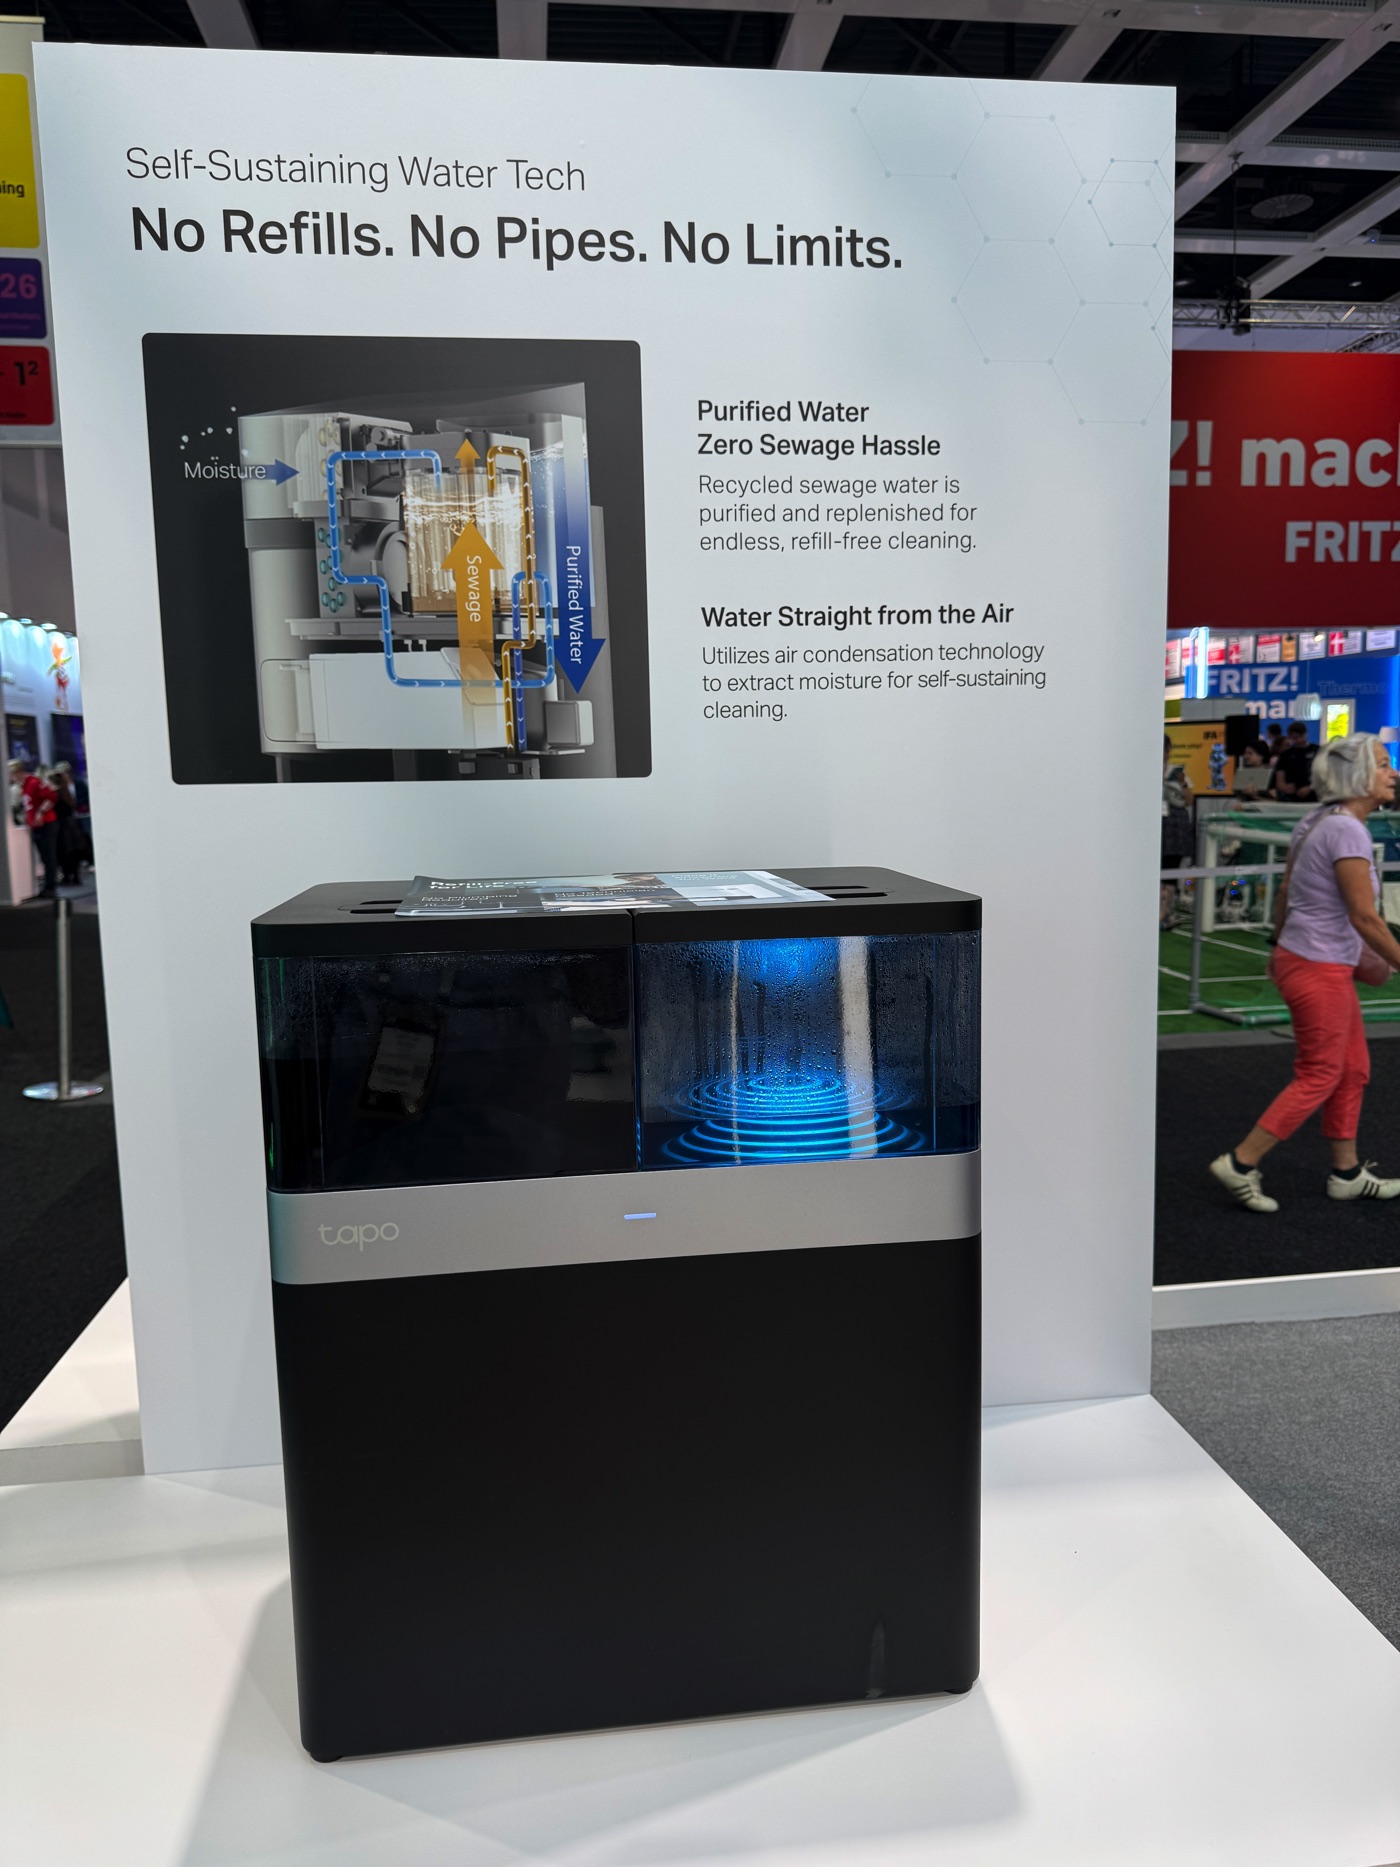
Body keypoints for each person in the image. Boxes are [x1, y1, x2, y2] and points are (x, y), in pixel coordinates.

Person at [1211, 732, 1400, 1211]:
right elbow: (1365, 918)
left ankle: (1346, 1173)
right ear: (1357, 776)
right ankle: (1241, 1163)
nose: (1393, 772)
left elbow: (1286, 891)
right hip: (1318, 966)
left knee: (1352, 1069)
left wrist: (1279, 947)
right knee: (1321, 1073)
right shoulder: (1347, 831)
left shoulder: (1318, 819)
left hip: (1310, 961)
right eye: (1383, 764)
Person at [9, 757, 58, 898]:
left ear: (18, 772)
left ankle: (50, 887)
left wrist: (40, 813)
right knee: (44, 856)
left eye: (12, 774)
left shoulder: (34, 783)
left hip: (46, 824)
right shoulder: (24, 786)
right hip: (37, 826)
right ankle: (48, 887)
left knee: (48, 856)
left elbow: (52, 796)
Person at [1161, 735, 1193, 929]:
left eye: (1165, 748)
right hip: (1154, 823)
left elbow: (1189, 801)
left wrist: (1183, 784)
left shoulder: (1178, 772)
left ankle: (1164, 913)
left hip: (1175, 824)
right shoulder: (1145, 769)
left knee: (1171, 869)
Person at [1269, 720, 1318, 801]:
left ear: (1305, 734)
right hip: (1291, 798)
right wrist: (1285, 787)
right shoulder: (1285, 755)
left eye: (1299, 737)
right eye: (1294, 738)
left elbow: (1324, 776)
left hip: (1314, 795)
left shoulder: (1317, 751)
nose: (1297, 740)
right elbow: (1279, 779)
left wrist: (1311, 787)